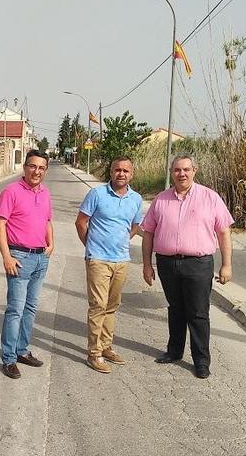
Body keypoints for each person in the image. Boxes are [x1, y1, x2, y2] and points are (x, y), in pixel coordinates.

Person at [140, 154, 233, 379]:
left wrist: (226, 265)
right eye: (177, 170)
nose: (182, 174)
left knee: (198, 313)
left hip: (198, 264)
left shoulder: (210, 198)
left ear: (194, 171)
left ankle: (201, 361)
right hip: (167, 263)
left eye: (186, 170)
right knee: (175, 309)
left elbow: (224, 232)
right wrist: (146, 264)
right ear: (171, 172)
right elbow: (148, 233)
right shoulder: (161, 200)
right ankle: (174, 351)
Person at [75, 156, 143, 373]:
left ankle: (106, 347)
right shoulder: (97, 194)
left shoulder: (136, 199)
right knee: (98, 306)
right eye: (117, 170)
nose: (121, 174)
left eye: (125, 170)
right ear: (110, 172)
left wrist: (121, 241)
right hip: (98, 260)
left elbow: (134, 226)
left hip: (121, 261)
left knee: (112, 307)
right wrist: (91, 247)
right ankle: (93, 354)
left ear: (131, 174)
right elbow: (81, 222)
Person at [0, 150, 54, 379]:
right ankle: (8, 358)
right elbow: (0, 226)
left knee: (30, 309)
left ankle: (21, 350)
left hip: (40, 258)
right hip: (19, 257)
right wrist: (7, 257)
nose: (36, 171)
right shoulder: (11, 191)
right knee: (15, 310)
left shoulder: (46, 193)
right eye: (32, 166)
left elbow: (47, 220)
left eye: (41, 168)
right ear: (25, 167)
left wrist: (51, 244)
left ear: (45, 170)